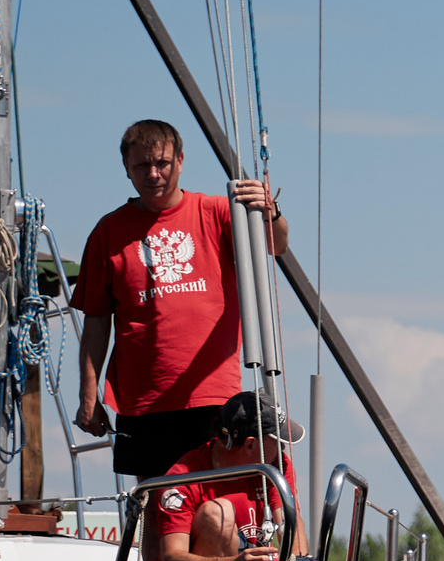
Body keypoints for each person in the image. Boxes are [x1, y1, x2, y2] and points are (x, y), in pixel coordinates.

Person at [72, 119, 289, 480]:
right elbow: (95, 321)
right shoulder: (108, 232)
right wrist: (88, 397)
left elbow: (276, 244)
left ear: (181, 161)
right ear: (126, 168)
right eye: (142, 165)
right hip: (142, 402)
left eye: (163, 164)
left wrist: (271, 212)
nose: (153, 174)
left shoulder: (218, 212)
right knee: (157, 508)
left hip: (211, 396)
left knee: (214, 507)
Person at [153, 391, 304, 561]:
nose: (282, 447)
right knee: (218, 512)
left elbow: (291, 529)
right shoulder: (181, 480)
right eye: (276, 440)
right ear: (250, 445)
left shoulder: (275, 465)